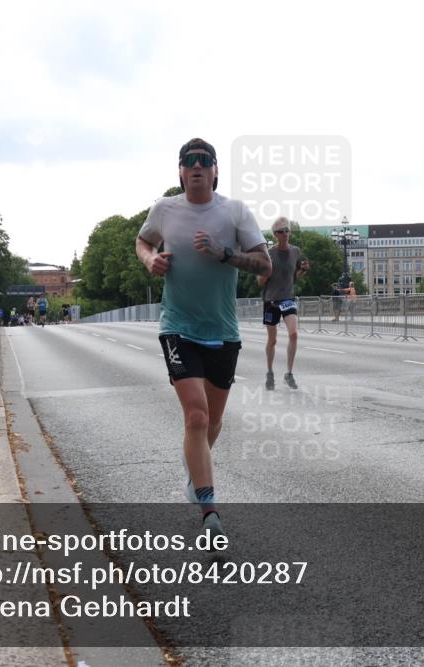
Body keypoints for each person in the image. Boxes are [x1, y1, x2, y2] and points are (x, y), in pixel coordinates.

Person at [135, 137, 270, 540]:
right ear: (179, 171)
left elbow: (263, 263)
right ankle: (209, 510)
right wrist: (150, 260)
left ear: (215, 170)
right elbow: (143, 241)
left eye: (203, 161)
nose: (196, 166)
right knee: (195, 415)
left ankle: (196, 469)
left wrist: (224, 254)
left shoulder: (234, 211)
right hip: (177, 326)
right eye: (188, 161)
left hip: (223, 331)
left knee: (212, 421)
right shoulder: (165, 209)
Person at [257, 217, 309, 390]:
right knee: (272, 340)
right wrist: (267, 271)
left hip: (288, 298)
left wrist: (302, 270)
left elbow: (294, 277)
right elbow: (260, 281)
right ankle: (270, 372)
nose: (285, 234)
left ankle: (289, 373)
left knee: (293, 334)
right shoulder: (268, 253)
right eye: (281, 231)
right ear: (275, 234)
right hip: (271, 300)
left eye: (287, 230)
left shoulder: (295, 251)